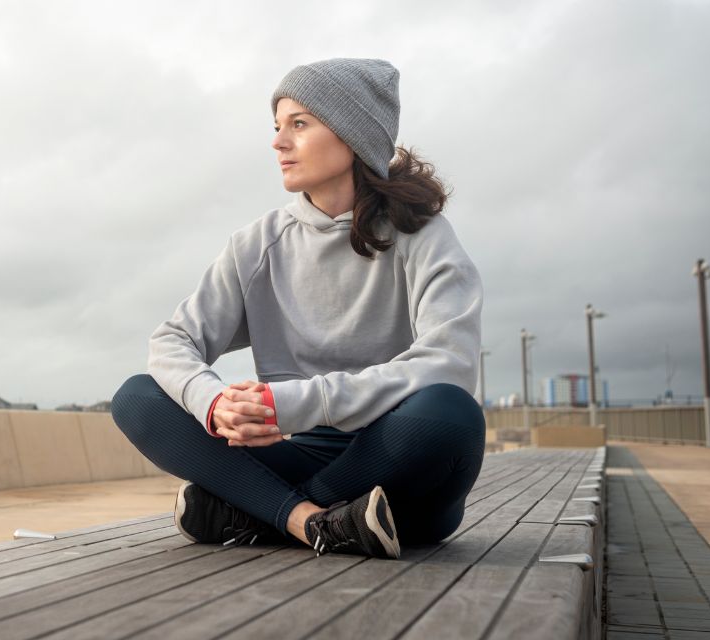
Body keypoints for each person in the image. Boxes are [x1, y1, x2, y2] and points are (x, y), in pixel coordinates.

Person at [110, 58, 485, 559]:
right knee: (137, 397)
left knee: (450, 414)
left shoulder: (423, 237)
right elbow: (172, 341)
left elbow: (450, 364)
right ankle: (311, 522)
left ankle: (256, 513)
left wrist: (286, 403)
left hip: (397, 463)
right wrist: (215, 403)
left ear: (353, 137)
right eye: (277, 126)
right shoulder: (258, 244)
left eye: (300, 124)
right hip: (295, 456)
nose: (279, 142)